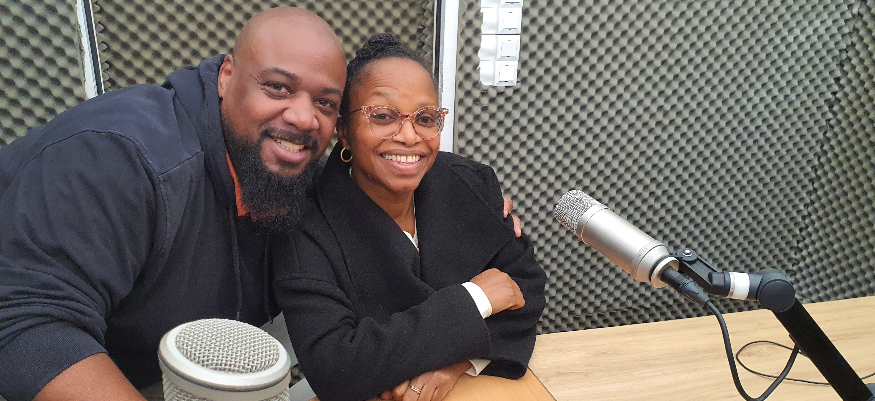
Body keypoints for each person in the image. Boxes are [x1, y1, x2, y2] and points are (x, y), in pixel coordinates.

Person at [0, 7, 523, 401]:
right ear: (226, 75)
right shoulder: (123, 157)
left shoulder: (294, 170)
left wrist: (465, 205)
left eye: (324, 102)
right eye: (277, 87)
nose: (302, 117)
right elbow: (30, 329)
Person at [273, 33, 547, 401]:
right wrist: (474, 299)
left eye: (425, 118)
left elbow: (526, 290)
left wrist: (456, 363)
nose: (408, 136)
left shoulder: (471, 182)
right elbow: (336, 366)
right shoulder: (303, 221)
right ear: (344, 132)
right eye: (383, 116)